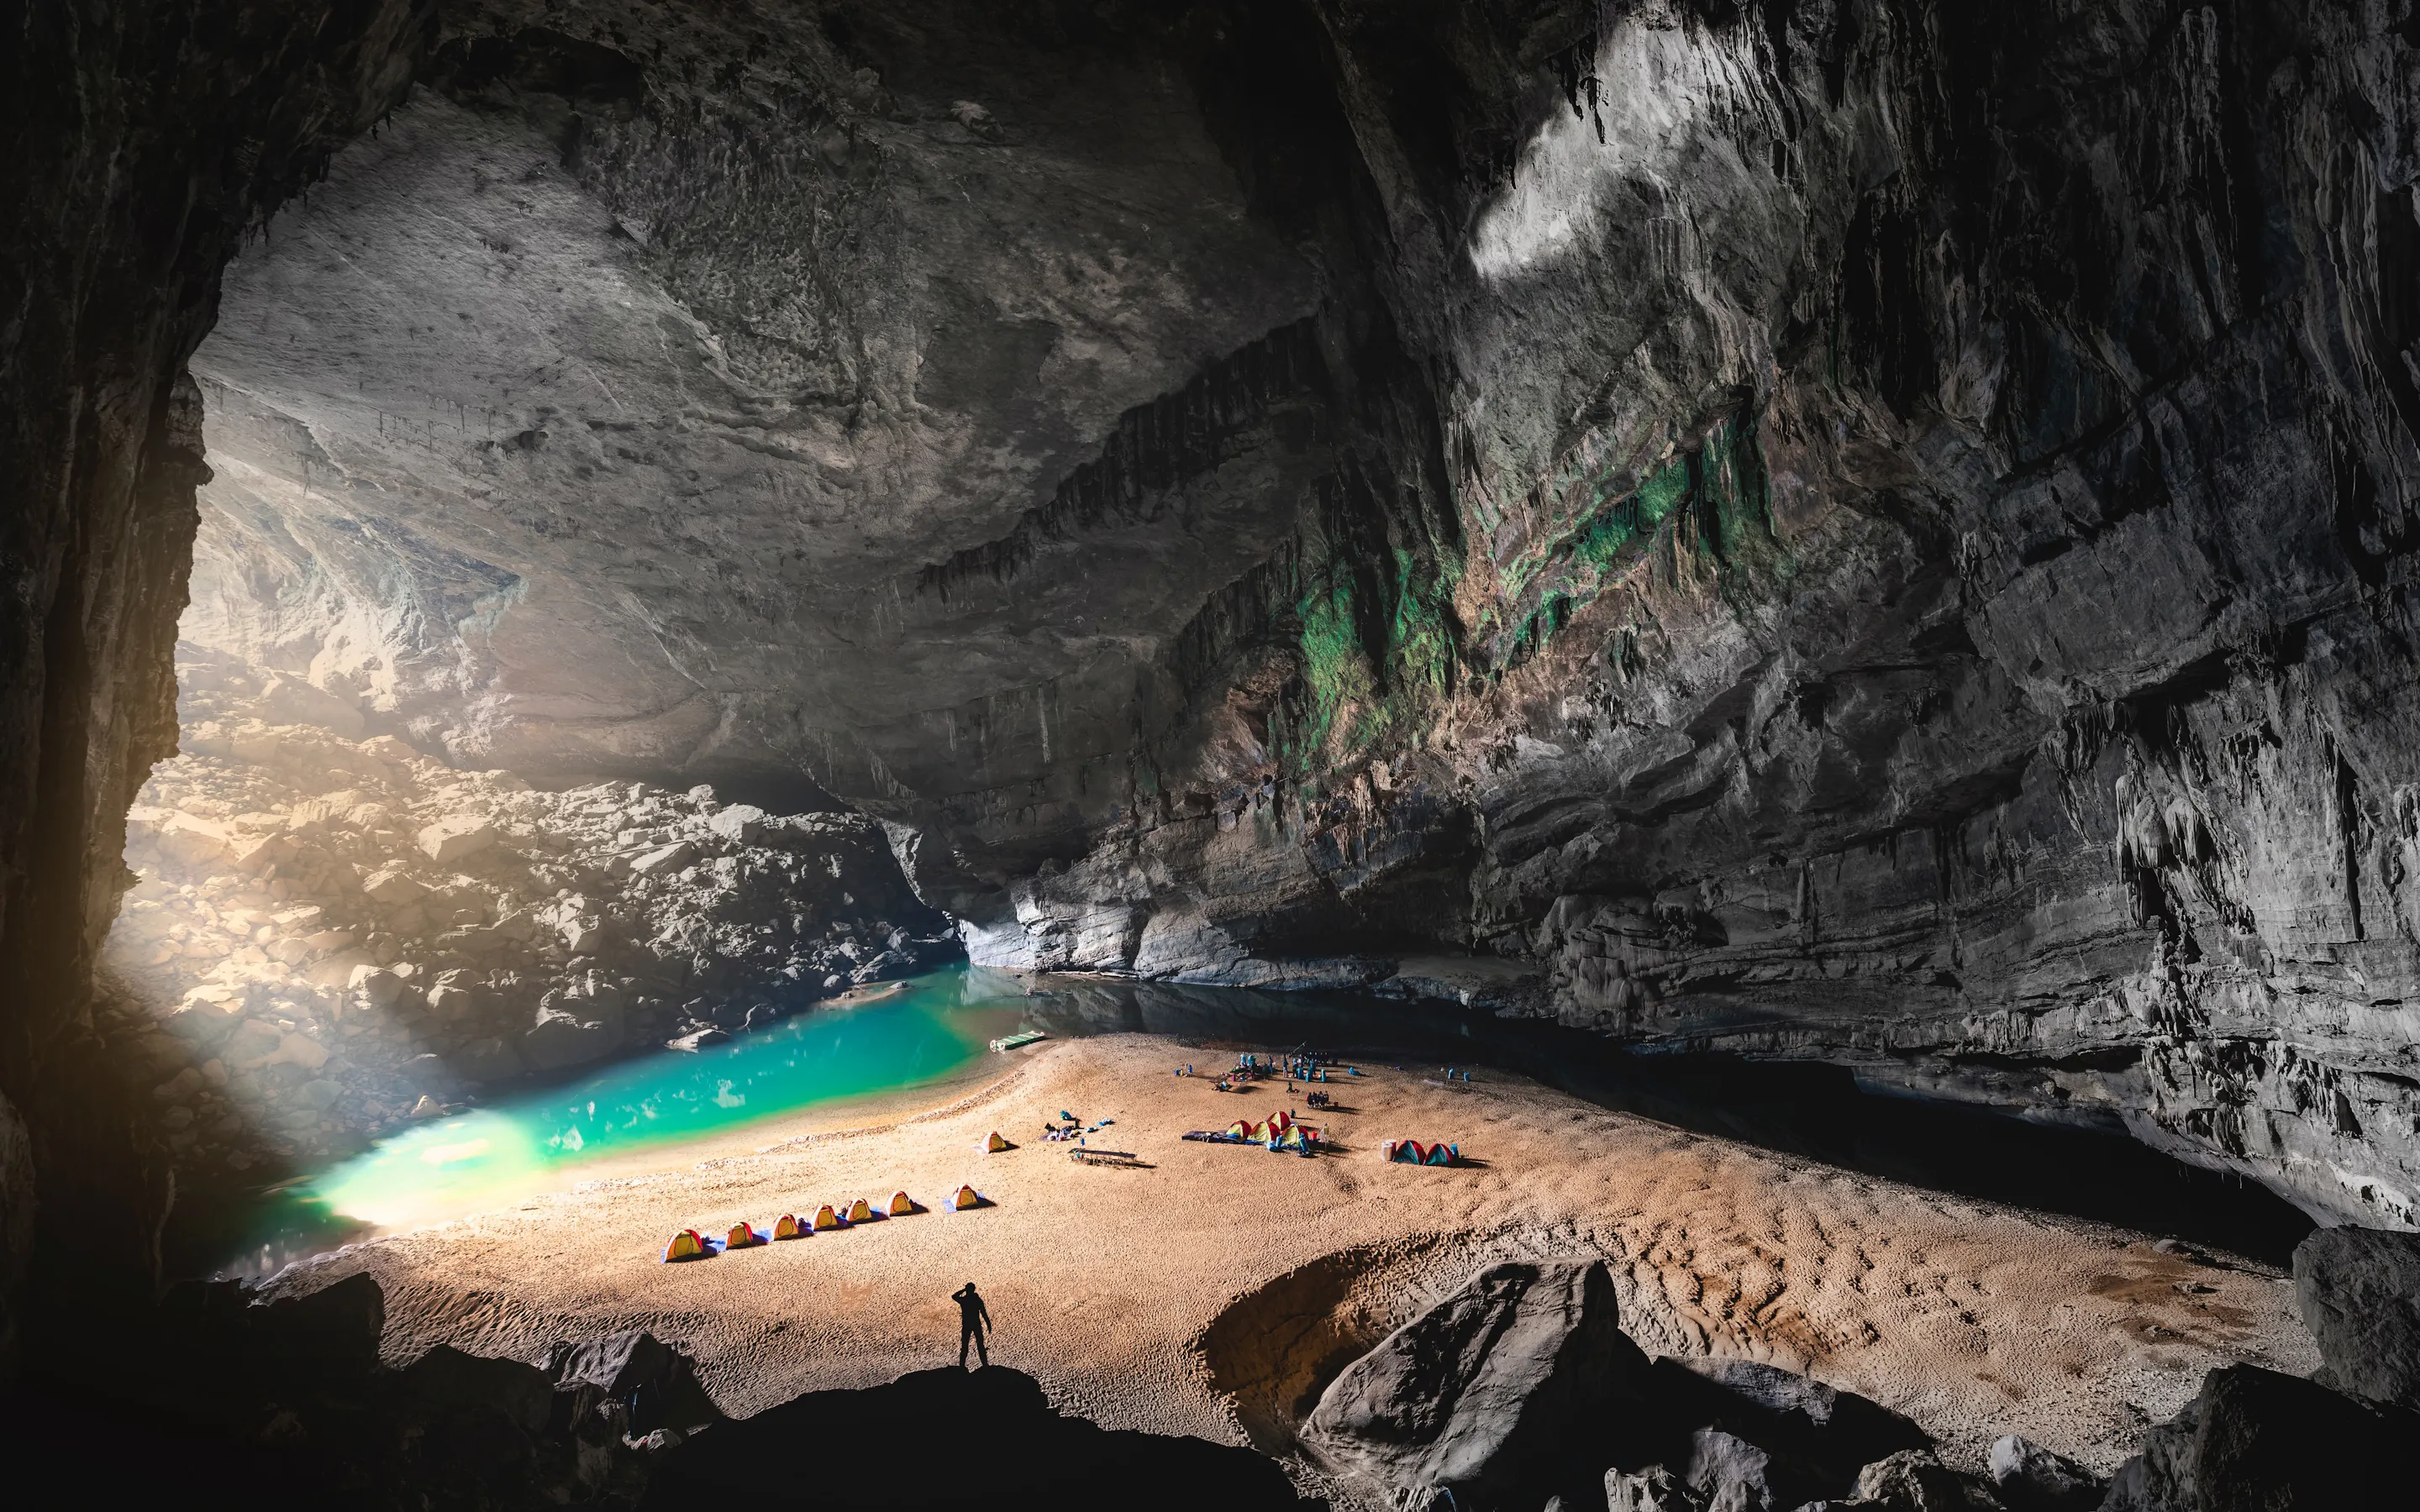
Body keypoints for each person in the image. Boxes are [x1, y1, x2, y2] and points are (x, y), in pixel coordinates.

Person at [954, 1281, 992, 1368]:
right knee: (977, 1345)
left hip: (968, 1325)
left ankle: (962, 1366)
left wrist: (963, 1290)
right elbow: (984, 1313)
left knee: (968, 1346)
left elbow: (955, 1296)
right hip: (974, 1325)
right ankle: (984, 1364)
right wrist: (988, 1324)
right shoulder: (975, 1300)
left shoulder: (964, 1300)